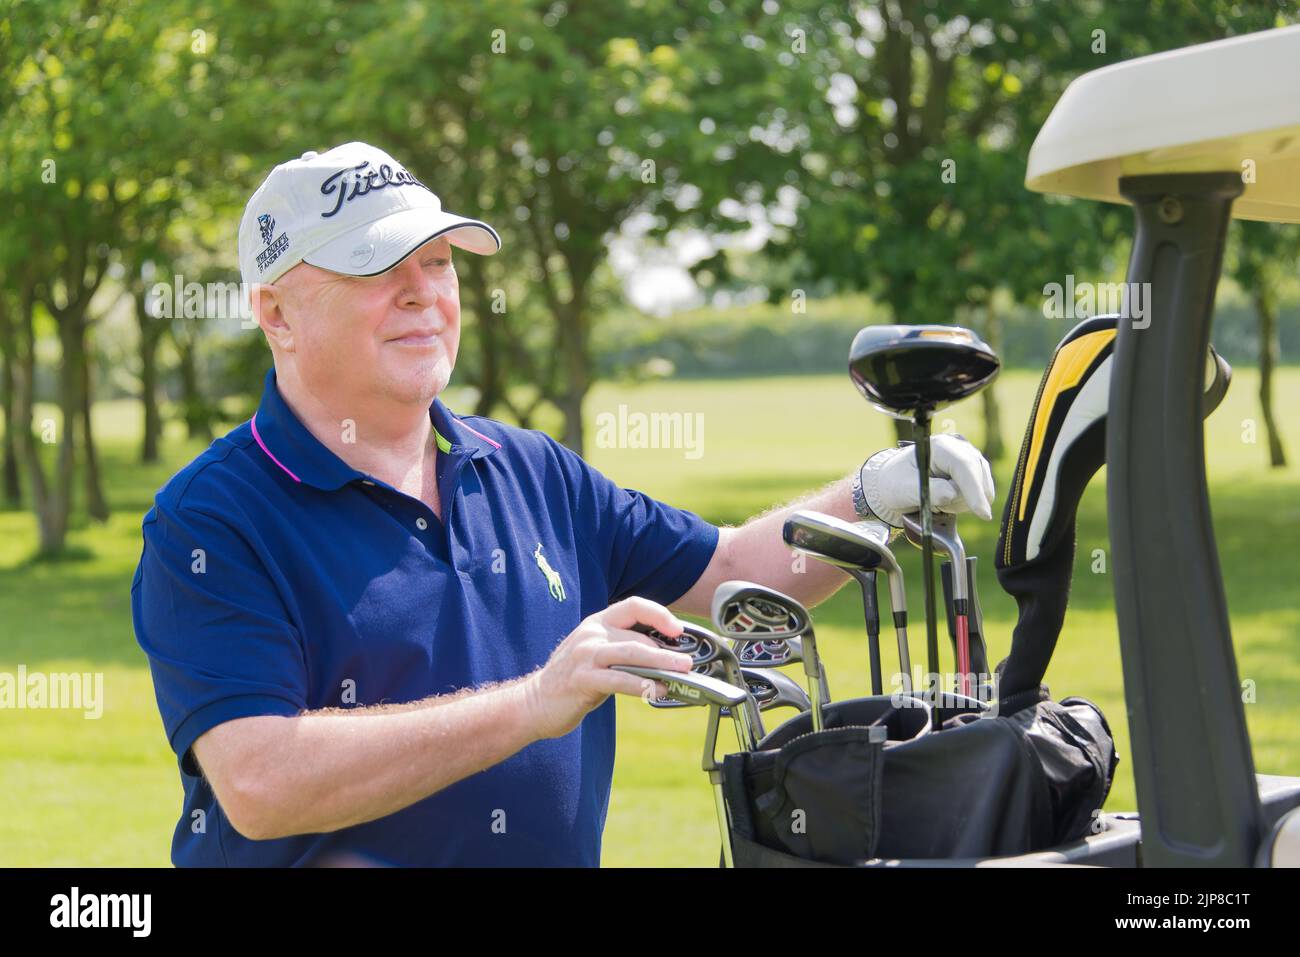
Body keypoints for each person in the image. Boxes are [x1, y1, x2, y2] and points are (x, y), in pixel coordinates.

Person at [131, 141, 995, 866]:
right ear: (276, 312)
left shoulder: (527, 466)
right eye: (375, 268)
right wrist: (536, 701)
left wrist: (875, 493)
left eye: (437, 262)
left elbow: (732, 571)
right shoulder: (210, 519)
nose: (423, 293)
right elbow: (261, 782)